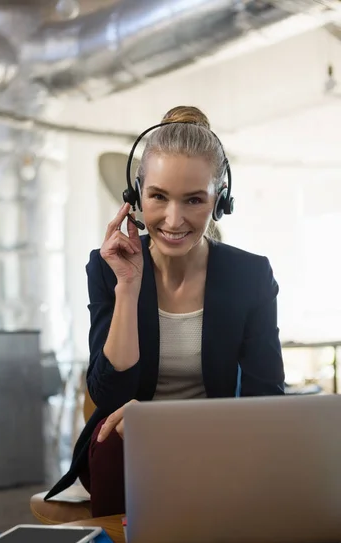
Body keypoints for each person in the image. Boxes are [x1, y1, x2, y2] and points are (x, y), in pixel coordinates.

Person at [45, 105, 285, 516]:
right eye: (158, 196)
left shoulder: (250, 275)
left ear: (220, 200)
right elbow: (108, 394)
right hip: (129, 449)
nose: (174, 220)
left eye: (194, 199)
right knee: (115, 443)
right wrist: (127, 287)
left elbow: (268, 397)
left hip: (220, 446)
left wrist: (169, 425)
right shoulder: (107, 266)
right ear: (136, 196)